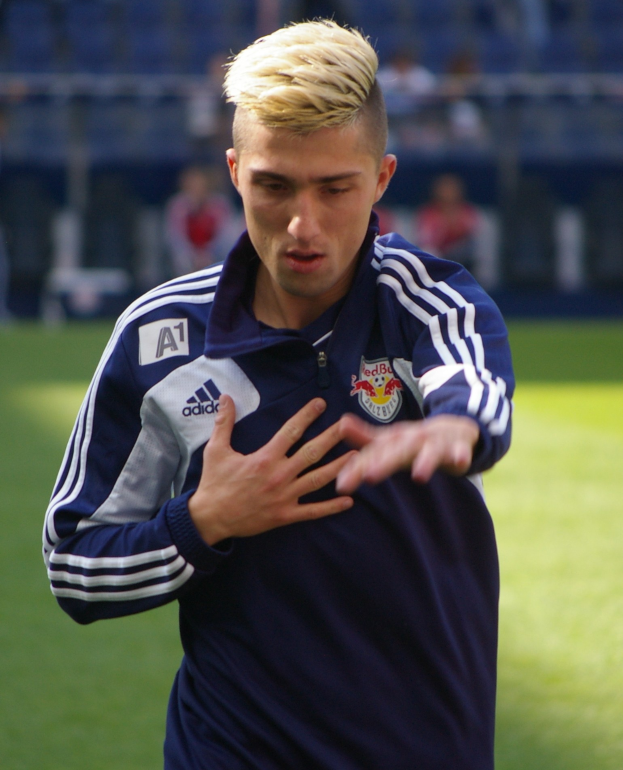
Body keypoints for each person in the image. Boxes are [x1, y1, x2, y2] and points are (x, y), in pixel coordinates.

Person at [43, 20, 514, 770]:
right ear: (234, 171)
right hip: (229, 750)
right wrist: (204, 521)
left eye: (335, 189)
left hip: (422, 746)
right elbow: (75, 564)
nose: (303, 225)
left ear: (382, 179)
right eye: (273, 186)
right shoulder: (158, 338)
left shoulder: (427, 301)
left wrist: (455, 426)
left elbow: (474, 385)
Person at [164, 164, 237, 275]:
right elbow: (175, 239)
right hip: (185, 263)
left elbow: (226, 236)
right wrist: (192, 258)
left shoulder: (221, 205)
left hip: (217, 260)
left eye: (200, 185)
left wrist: (208, 255)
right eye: (193, 185)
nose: (197, 188)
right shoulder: (177, 207)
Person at [415, 173, 483, 271]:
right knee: (428, 251)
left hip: (465, 261)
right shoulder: (428, 213)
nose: (448, 193)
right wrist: (445, 228)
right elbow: (425, 242)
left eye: (451, 189)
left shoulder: (468, 212)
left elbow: (474, 234)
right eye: (445, 189)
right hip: (438, 261)